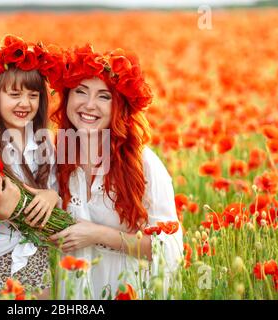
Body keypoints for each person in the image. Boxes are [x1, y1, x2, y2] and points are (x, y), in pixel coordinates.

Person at [48, 45, 183, 299]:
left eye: (104, 96)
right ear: (67, 97)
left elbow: (168, 248)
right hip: (73, 294)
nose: (89, 105)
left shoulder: (143, 164)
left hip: (126, 289)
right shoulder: (54, 158)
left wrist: (98, 234)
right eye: (81, 92)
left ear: (118, 106)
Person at [0, 35, 60, 300]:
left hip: (35, 260)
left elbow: (52, 205)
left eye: (33, 95)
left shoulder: (46, 144)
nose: (25, 103)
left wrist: (53, 196)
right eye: (14, 94)